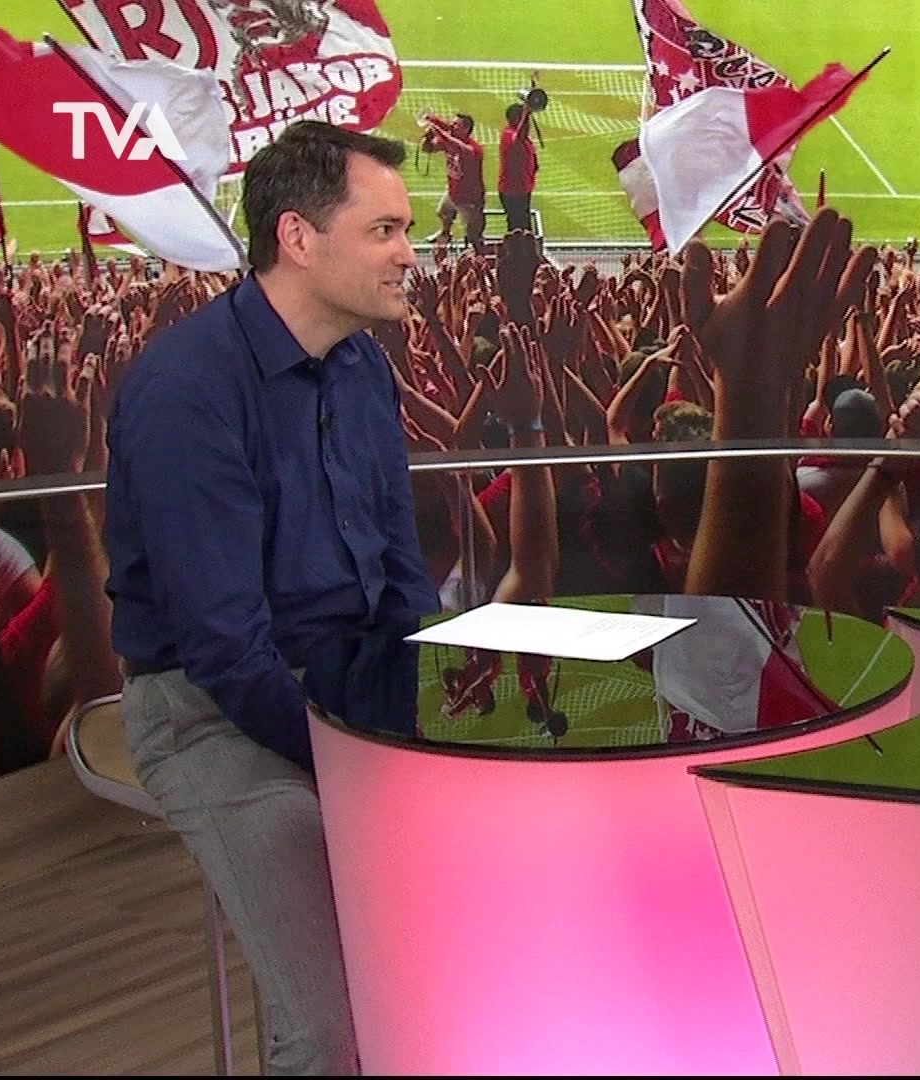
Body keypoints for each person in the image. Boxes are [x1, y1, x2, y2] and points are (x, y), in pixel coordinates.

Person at [103, 120, 438, 1074]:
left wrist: (421, 716)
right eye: (384, 231)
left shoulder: (364, 367)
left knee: (454, 952)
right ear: (298, 237)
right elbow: (225, 649)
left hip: (353, 692)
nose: (409, 255)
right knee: (334, 1030)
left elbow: (401, 575)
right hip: (214, 716)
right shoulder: (188, 389)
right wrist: (355, 761)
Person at [419, 111, 485, 251]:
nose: (452, 127)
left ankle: (477, 255)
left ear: (466, 129)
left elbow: (453, 142)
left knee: (472, 232)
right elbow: (427, 149)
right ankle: (445, 233)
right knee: (443, 212)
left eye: (456, 125)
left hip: (469, 197)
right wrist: (428, 138)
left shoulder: (472, 149)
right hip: (453, 190)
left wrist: (437, 129)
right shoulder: (450, 141)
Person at [498, 101, 539, 235]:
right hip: (513, 190)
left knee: (524, 227)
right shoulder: (508, 134)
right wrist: (526, 114)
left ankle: (522, 248)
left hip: (522, 188)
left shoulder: (524, 138)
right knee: (517, 229)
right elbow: (520, 136)